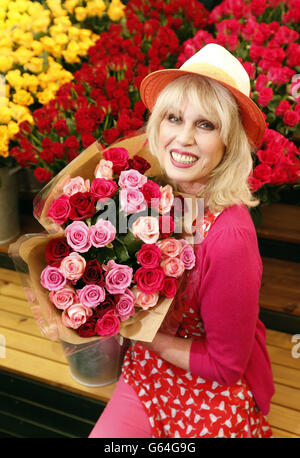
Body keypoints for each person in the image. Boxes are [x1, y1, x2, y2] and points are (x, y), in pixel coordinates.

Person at [89, 43, 275, 439]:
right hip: (146, 371)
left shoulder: (231, 238)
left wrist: (145, 335)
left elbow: (226, 366)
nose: (184, 137)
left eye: (205, 125)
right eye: (174, 118)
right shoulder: (155, 194)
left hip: (209, 392)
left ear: (230, 142)